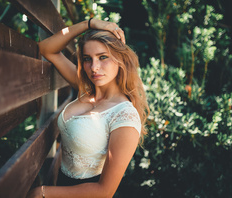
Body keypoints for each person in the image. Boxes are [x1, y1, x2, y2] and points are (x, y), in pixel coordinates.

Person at [27, 18, 149, 198]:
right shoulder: (85, 89)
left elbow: (104, 192)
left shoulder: (125, 116)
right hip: (60, 187)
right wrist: (89, 24)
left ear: (120, 58)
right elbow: (46, 49)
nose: (94, 68)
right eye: (87, 59)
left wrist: (42, 192)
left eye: (103, 57)